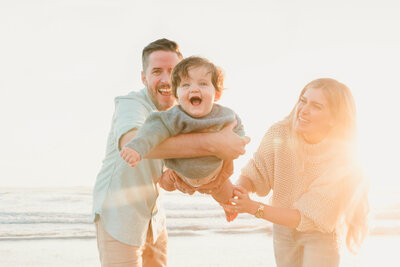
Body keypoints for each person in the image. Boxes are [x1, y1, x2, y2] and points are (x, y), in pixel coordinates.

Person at [92, 38, 249, 267]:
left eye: (172, 72)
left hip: (153, 217)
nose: (165, 79)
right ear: (144, 77)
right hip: (119, 217)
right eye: (156, 71)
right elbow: (132, 142)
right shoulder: (131, 103)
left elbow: (204, 159)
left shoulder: (184, 112)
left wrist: (218, 185)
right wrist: (214, 142)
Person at [222, 78, 369, 267]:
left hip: (320, 234)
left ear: (334, 118)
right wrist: (237, 194)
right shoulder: (279, 133)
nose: (304, 110)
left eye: (316, 106)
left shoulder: (342, 157)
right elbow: (256, 171)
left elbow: (305, 216)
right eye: (303, 100)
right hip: (282, 231)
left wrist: (252, 207)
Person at [120, 56, 245, 222]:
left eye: (203, 83)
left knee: (227, 195)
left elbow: (238, 131)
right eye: (186, 85)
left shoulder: (225, 116)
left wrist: (240, 140)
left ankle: (228, 208)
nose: (194, 89)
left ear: (217, 93)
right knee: (164, 183)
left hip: (216, 176)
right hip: (179, 175)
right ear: (176, 94)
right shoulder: (173, 117)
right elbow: (151, 132)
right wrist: (136, 148)